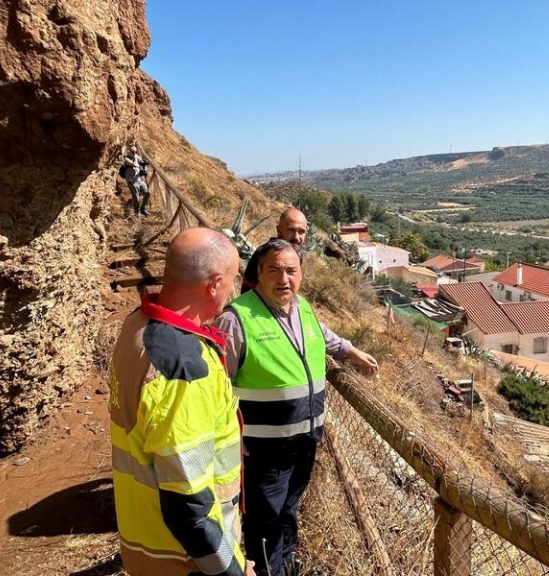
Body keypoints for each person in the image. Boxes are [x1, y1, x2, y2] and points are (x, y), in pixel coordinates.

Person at [215, 239, 378, 576]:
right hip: (261, 451)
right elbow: (215, 389)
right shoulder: (237, 319)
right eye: (274, 269)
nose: (283, 278)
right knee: (265, 519)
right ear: (258, 273)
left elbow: (321, 334)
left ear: (301, 274)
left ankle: (287, 562)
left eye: (291, 270)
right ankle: (267, 570)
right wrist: (228, 442)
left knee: (288, 510)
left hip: (304, 442)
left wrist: (351, 351)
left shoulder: (301, 307)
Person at [109, 227, 255, 576]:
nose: (232, 292)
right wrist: (231, 569)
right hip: (184, 560)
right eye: (232, 281)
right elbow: (189, 506)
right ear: (214, 285)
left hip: (144, 539)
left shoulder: (139, 325)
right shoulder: (184, 369)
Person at [240, 207, 308, 293]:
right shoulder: (264, 254)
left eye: (301, 232)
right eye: (291, 230)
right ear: (279, 230)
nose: (297, 237)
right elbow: (247, 292)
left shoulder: (296, 255)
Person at [122, 144, 151, 217]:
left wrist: (144, 165)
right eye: (133, 152)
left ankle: (143, 209)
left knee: (147, 194)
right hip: (132, 181)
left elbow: (141, 162)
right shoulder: (126, 159)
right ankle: (137, 212)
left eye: (135, 151)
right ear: (129, 152)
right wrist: (140, 167)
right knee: (136, 197)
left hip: (139, 180)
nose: (134, 153)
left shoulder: (136, 156)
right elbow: (132, 164)